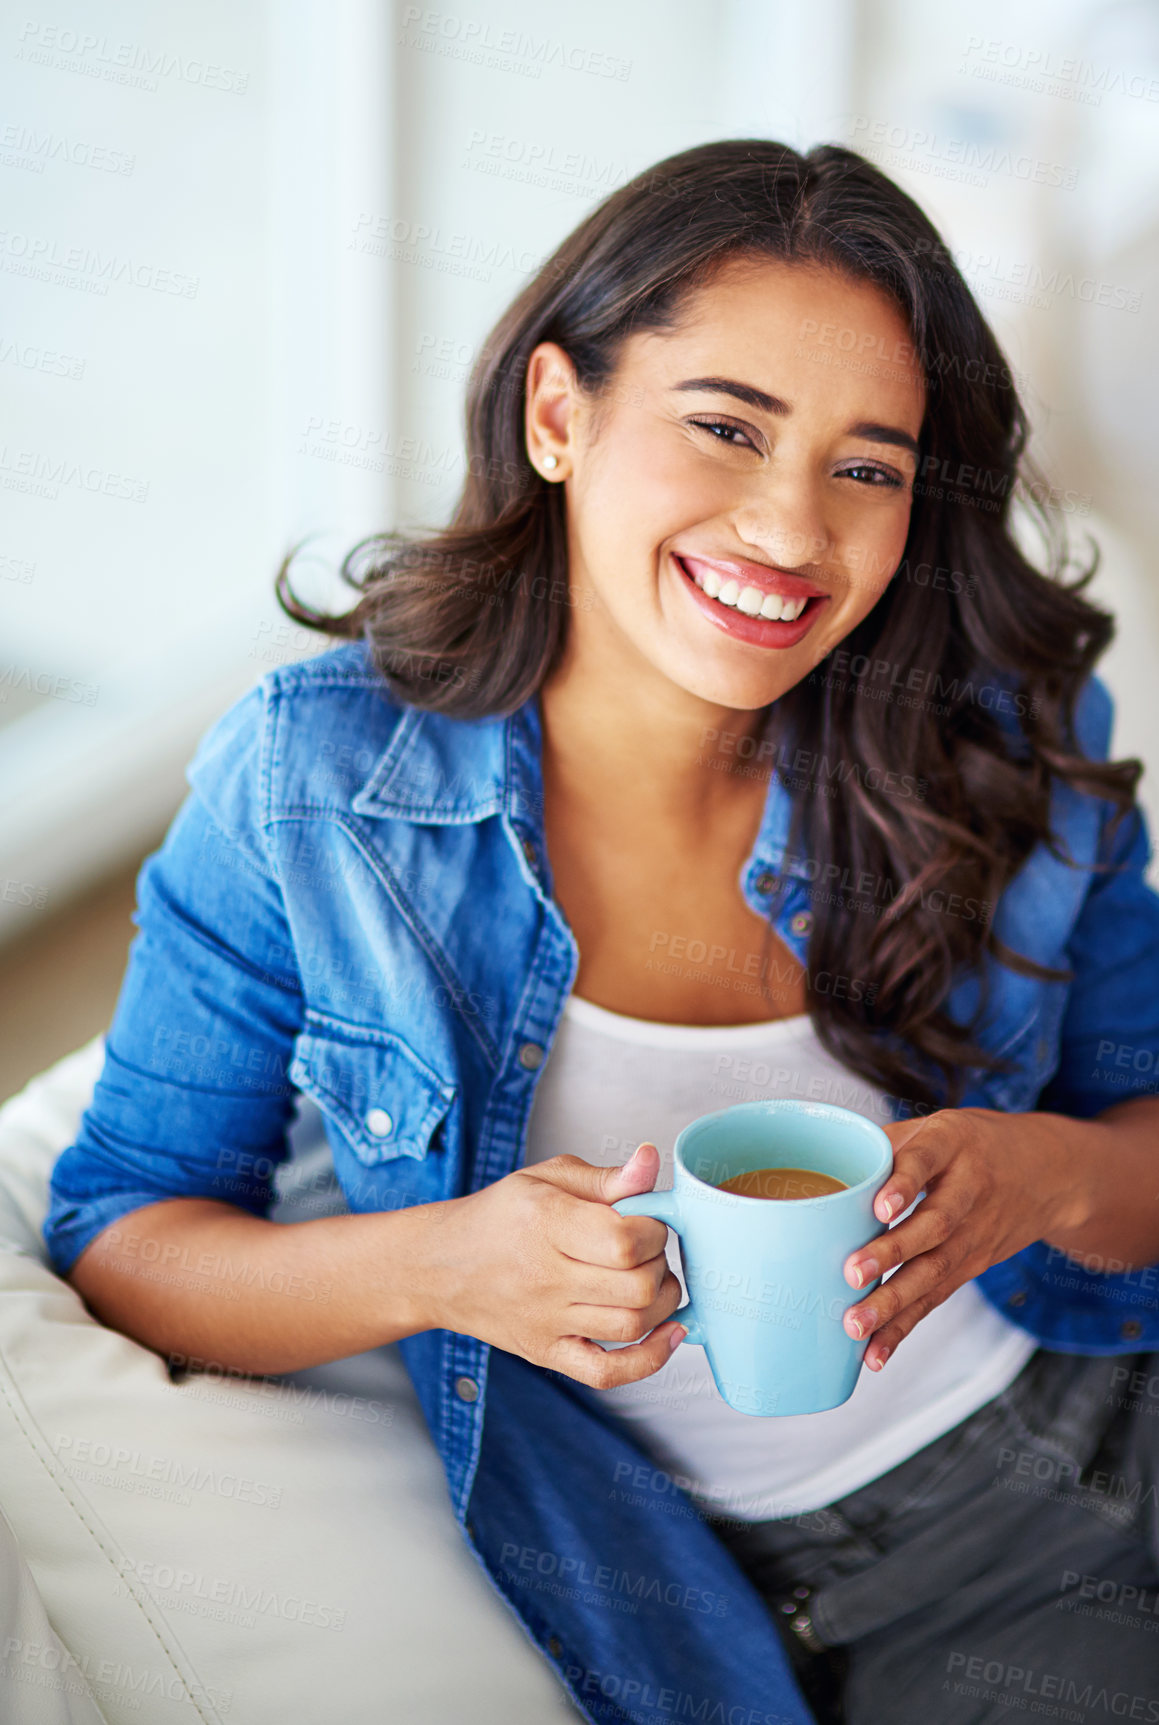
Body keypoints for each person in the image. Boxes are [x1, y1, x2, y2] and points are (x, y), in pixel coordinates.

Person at [44, 140, 1159, 1724]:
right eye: (726, 428)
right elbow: (124, 1230)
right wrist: (443, 1265)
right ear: (558, 414)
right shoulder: (316, 785)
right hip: (832, 1580)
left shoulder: (994, 739)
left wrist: (1040, 1177)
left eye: (868, 465)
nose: (790, 531)